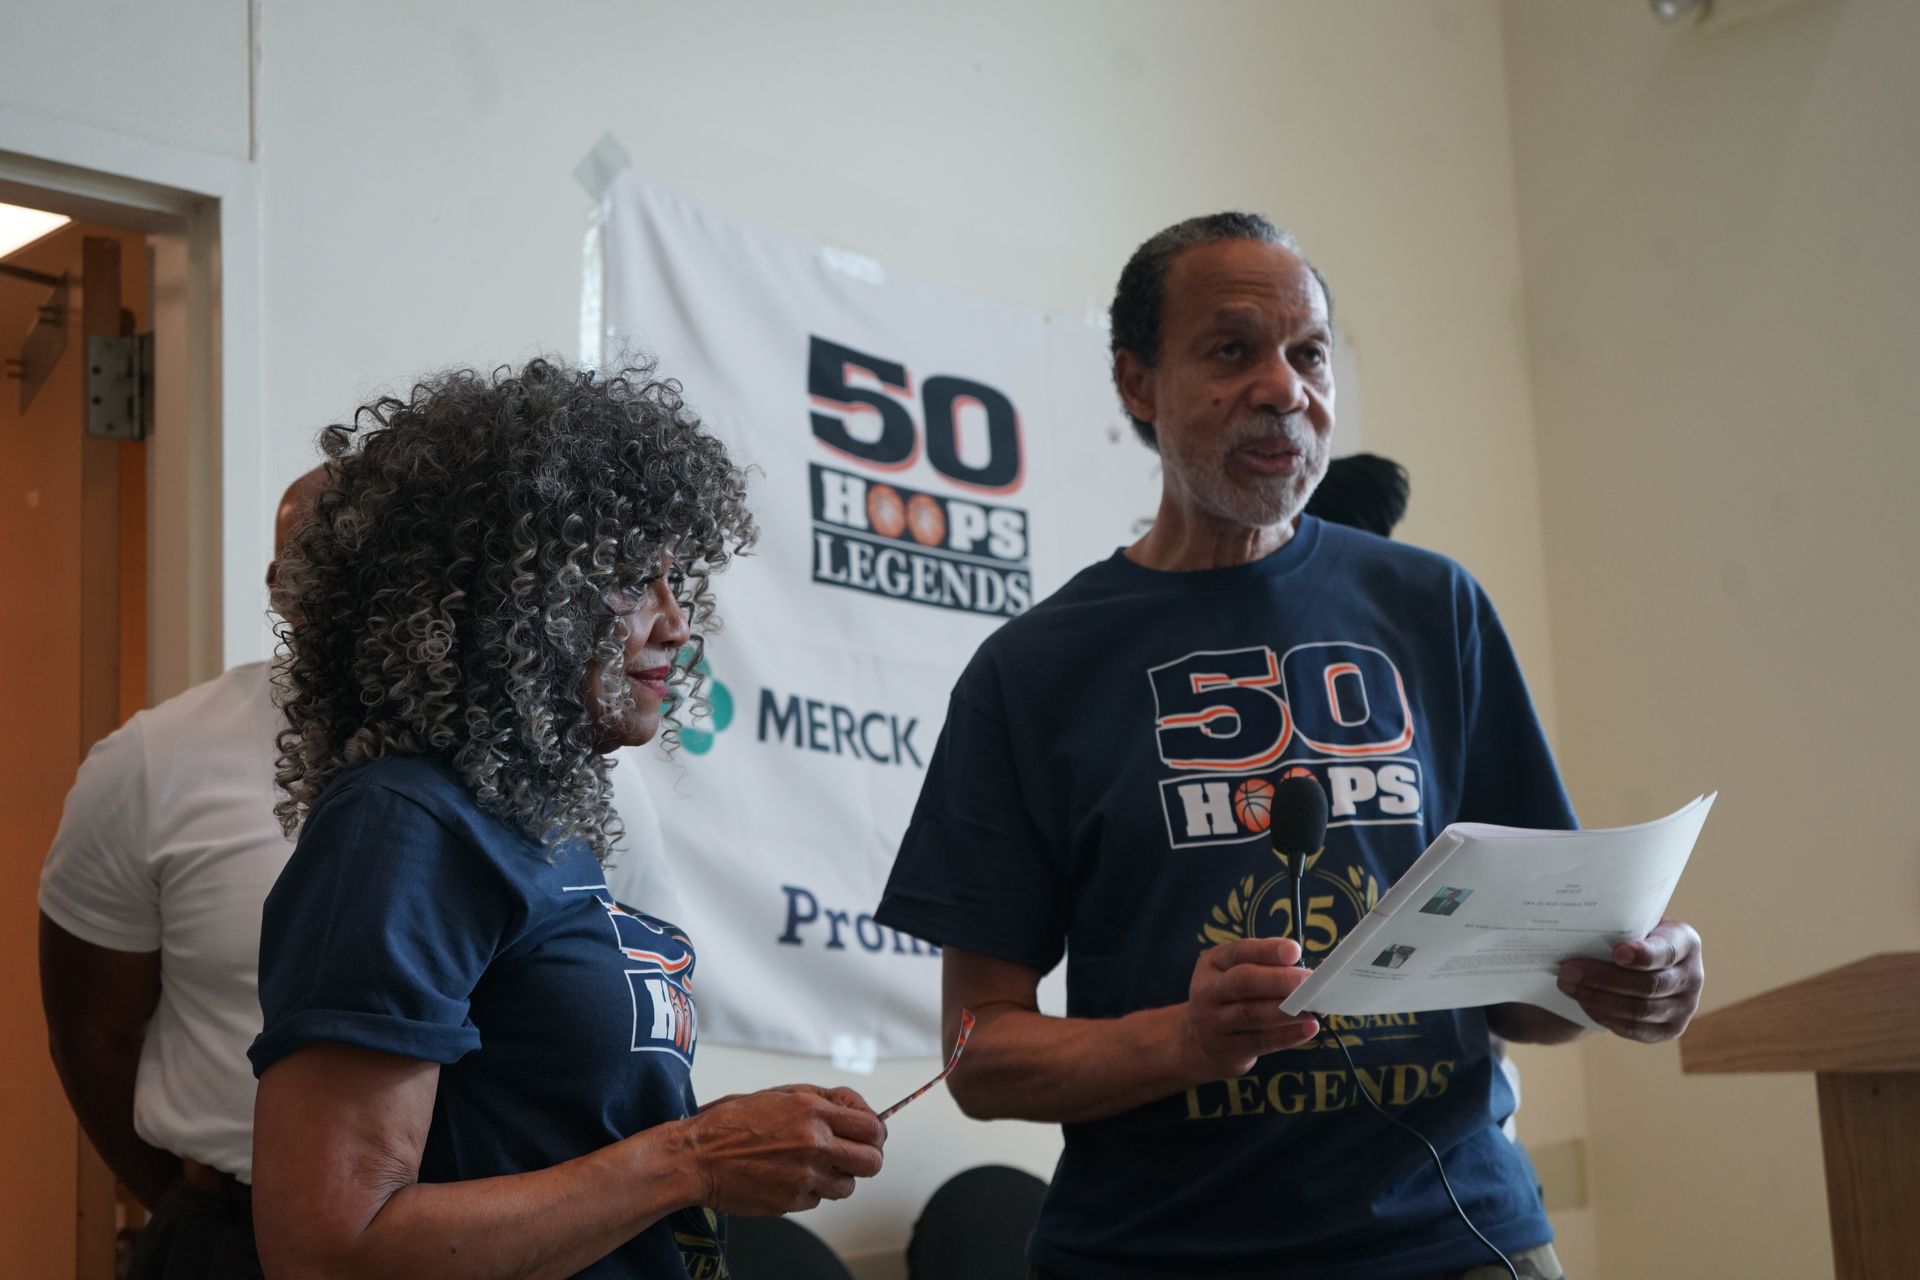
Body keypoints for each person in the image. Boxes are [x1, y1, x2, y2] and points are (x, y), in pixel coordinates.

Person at [875, 214, 1704, 1280]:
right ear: (1138, 381)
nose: (1284, 387)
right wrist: (1183, 1038)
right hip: (1154, 1252)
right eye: (1231, 351)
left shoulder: (1432, 604)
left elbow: (1525, 989)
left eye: (1308, 353)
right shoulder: (1033, 669)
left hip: (1455, 1237)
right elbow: (977, 1054)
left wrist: (1628, 983)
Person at [247, 359, 887, 1280]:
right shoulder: (401, 824)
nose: (676, 623)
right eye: (631, 579)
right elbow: (329, 1249)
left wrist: (730, 1142)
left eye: (677, 580)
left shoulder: (538, 819)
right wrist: (694, 1160)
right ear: (503, 599)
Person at [38, 467, 327, 1279]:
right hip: (232, 1237)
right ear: (280, 587)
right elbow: (92, 1035)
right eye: (324, 561)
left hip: (492, 1231)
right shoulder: (155, 761)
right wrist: (197, 1216)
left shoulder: (554, 763)